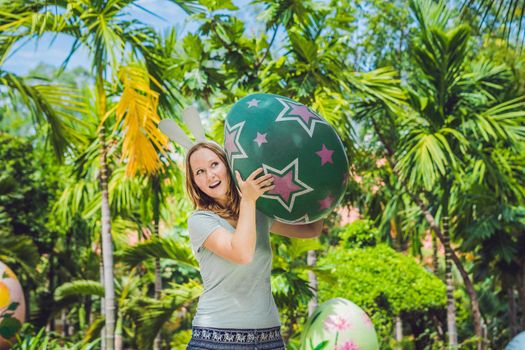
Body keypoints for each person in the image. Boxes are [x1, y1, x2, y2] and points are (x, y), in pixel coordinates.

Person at [184, 141, 324, 349]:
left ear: (228, 164)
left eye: (214, 165)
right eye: (200, 172)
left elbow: (311, 229)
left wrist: (319, 181)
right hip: (214, 340)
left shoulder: (258, 211)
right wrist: (248, 200)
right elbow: (242, 253)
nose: (210, 176)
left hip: (268, 339)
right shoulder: (200, 220)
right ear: (194, 182)